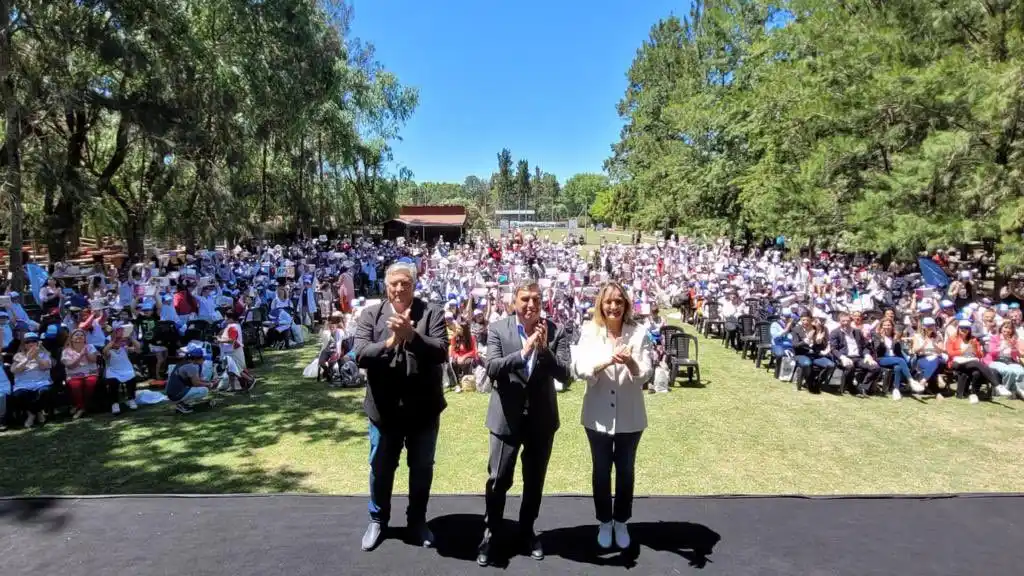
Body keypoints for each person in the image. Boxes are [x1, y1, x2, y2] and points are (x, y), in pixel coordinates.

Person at [354, 261, 449, 552]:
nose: (398, 289)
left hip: (423, 410)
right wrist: (391, 342)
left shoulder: (431, 313)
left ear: (414, 285)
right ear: (386, 286)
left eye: (404, 284)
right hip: (384, 412)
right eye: (393, 284)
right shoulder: (371, 315)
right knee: (380, 468)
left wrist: (412, 336)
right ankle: (378, 520)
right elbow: (360, 354)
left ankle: (417, 521)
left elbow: (441, 352)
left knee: (421, 468)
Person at [477, 280, 572, 566]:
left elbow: (565, 374)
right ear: (514, 302)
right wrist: (523, 352)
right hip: (506, 419)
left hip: (541, 421)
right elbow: (492, 367)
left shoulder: (555, 331)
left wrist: (543, 351)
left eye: (536, 299)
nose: (531, 305)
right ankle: (491, 531)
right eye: (525, 299)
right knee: (499, 479)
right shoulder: (498, 329)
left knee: (534, 480)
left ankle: (527, 530)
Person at [571, 282, 652, 550]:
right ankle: (605, 521)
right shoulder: (589, 331)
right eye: (608, 301)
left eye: (618, 301)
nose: (613, 306)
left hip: (630, 415)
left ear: (626, 304)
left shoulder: (639, 332)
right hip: (597, 416)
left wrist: (630, 362)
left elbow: (645, 373)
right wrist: (607, 361)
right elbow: (579, 368)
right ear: (601, 304)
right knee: (601, 471)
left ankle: (621, 521)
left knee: (626, 472)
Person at [10, 332, 53, 427]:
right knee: (19, 395)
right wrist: (27, 359)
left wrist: (36, 356)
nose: (31, 343)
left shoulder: (44, 354)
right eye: (28, 342)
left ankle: (32, 414)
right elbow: (14, 370)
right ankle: (35, 413)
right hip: (23, 384)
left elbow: (45, 367)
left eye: (33, 341)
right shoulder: (18, 355)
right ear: (24, 344)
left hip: (41, 382)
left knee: (45, 392)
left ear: (38, 343)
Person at [165, 343, 214, 414]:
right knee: (204, 390)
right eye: (203, 358)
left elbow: (195, 380)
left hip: (172, 393)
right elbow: (196, 383)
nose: (204, 360)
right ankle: (181, 404)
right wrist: (209, 384)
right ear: (198, 358)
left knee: (203, 387)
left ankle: (182, 403)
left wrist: (208, 382)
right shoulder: (191, 367)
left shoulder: (184, 363)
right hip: (176, 395)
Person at [62, 329, 100, 419]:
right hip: (73, 374)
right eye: (76, 335)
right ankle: (82, 407)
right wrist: (80, 355)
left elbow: (93, 360)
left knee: (90, 383)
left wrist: (86, 353)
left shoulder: (90, 347)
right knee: (75, 386)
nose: (79, 336)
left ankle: (81, 407)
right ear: (71, 338)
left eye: (81, 335)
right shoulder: (66, 351)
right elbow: (70, 366)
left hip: (90, 372)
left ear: (85, 338)